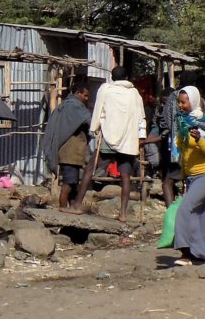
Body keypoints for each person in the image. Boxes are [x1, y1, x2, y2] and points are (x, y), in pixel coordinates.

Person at [71, 66, 145, 222]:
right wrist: (141, 136)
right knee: (126, 176)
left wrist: (94, 128)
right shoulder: (134, 93)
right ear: (126, 77)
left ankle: (77, 205)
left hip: (108, 137)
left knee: (90, 168)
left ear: (112, 77)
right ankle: (123, 214)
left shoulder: (105, 89)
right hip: (127, 139)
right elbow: (141, 116)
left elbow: (98, 110)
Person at [172, 86, 205, 267]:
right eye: (179, 102)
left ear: (192, 102)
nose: (180, 105)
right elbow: (183, 154)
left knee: (184, 210)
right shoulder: (183, 123)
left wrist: (200, 139)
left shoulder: (202, 122)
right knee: (201, 216)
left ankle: (186, 253)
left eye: (183, 102)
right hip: (191, 178)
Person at [40, 78, 91, 209]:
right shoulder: (75, 106)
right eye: (85, 95)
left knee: (72, 184)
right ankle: (62, 210)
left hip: (69, 152)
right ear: (78, 93)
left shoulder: (65, 105)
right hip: (70, 153)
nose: (86, 98)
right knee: (68, 184)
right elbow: (90, 121)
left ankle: (71, 208)